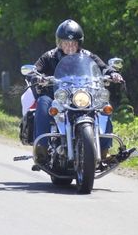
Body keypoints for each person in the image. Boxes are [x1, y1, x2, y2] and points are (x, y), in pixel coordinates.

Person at [32, 19, 124, 163]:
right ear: (59, 43)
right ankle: (41, 149)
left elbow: (103, 67)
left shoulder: (87, 55)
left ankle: (104, 151)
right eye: (66, 43)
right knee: (43, 101)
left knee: (104, 106)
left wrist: (113, 73)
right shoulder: (49, 56)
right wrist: (38, 77)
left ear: (79, 43)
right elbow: (35, 70)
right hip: (57, 97)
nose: (70, 47)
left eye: (73, 43)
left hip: (82, 96)